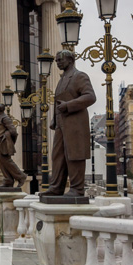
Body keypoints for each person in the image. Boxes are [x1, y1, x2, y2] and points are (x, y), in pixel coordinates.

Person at [43, 49, 96, 198]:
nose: (57, 62)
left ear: (70, 60)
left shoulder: (79, 76)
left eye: (60, 59)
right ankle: (56, 187)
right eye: (56, 60)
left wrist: (68, 106)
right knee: (57, 156)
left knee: (74, 154)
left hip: (75, 124)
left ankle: (77, 189)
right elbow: (58, 101)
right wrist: (54, 118)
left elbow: (90, 97)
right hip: (61, 124)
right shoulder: (62, 79)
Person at [0, 104, 27, 189]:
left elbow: (13, 131)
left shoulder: (5, 118)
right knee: (1, 162)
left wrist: (9, 140)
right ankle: (8, 180)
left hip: (2, 142)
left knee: (6, 160)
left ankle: (21, 176)